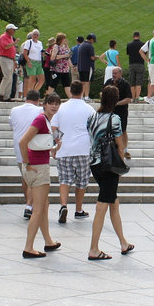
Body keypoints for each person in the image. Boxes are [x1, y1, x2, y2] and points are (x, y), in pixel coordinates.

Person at [85, 85, 133, 261]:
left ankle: (123, 242)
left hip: (95, 163)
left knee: (113, 201)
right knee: (102, 205)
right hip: (109, 165)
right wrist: (120, 167)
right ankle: (94, 249)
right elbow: (120, 146)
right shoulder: (115, 119)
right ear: (115, 100)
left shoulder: (92, 117)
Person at [18, 94, 63, 258]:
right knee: (38, 209)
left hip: (37, 165)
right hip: (37, 167)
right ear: (44, 104)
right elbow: (23, 141)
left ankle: (48, 241)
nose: (54, 106)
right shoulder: (40, 119)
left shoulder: (45, 121)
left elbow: (40, 145)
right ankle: (28, 247)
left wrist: (55, 148)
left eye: (57, 103)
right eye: (51, 103)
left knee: (44, 205)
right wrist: (27, 163)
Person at [50, 80, 93, 223]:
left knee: (64, 179)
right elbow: (93, 130)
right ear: (82, 91)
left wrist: (57, 142)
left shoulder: (61, 108)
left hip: (65, 149)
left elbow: (54, 127)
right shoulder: (89, 109)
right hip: (83, 148)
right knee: (82, 181)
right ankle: (79, 209)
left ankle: (63, 205)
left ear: (70, 91)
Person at [9, 90, 43, 219]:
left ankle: (29, 204)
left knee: (25, 177)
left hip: (18, 148)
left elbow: (11, 125)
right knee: (33, 179)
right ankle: (29, 206)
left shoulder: (14, 110)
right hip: (33, 148)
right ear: (38, 100)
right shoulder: (39, 111)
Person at [104, 66, 133, 159]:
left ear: (120, 74)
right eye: (113, 73)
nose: (114, 75)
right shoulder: (108, 82)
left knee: (123, 130)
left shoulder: (125, 84)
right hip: (109, 111)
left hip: (121, 111)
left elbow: (129, 98)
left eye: (116, 73)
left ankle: (125, 150)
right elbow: (102, 93)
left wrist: (117, 103)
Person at [20, 29, 45, 95]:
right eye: (34, 34)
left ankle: (33, 92)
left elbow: (40, 51)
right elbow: (25, 52)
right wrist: (28, 61)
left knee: (41, 80)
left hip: (39, 62)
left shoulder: (40, 43)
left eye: (37, 35)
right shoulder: (29, 42)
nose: (35, 36)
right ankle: (29, 94)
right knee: (32, 80)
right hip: (31, 61)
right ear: (32, 35)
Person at [48, 33, 72, 98]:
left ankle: (71, 99)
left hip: (65, 69)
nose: (65, 40)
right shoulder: (56, 46)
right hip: (57, 69)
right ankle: (47, 98)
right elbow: (53, 57)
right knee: (53, 85)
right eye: (64, 39)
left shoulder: (65, 47)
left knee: (67, 85)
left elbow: (69, 55)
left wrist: (71, 66)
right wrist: (64, 56)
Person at [0, 24, 18, 101]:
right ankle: (0, 93)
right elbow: (6, 46)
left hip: (10, 59)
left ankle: (6, 96)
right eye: (13, 29)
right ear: (9, 30)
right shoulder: (3, 37)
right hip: (5, 58)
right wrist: (14, 43)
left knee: (10, 78)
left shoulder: (10, 37)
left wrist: (14, 61)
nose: (14, 31)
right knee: (7, 76)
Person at [125, 31, 146, 102]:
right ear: (139, 36)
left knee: (132, 82)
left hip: (131, 64)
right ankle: (137, 97)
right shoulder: (143, 44)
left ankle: (133, 98)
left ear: (133, 36)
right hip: (140, 64)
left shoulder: (129, 44)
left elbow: (128, 53)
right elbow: (145, 54)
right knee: (138, 82)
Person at [77, 33, 97, 100]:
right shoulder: (89, 46)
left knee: (82, 82)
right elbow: (92, 58)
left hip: (81, 67)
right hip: (88, 67)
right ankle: (86, 96)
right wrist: (97, 57)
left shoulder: (81, 44)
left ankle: (81, 96)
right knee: (87, 82)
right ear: (91, 39)